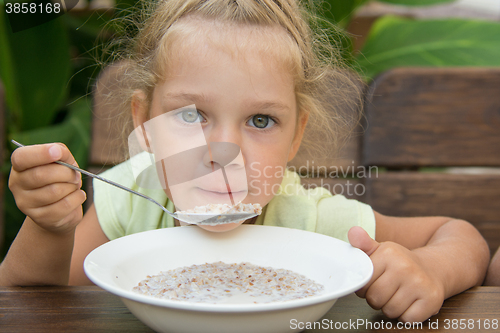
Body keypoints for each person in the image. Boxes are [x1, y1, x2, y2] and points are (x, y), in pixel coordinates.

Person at [0, 0, 489, 323]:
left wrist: (432, 269)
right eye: (192, 115)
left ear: (296, 136)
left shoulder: (311, 221)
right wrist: (50, 226)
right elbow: (28, 300)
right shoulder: (130, 200)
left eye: (260, 121)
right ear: (144, 122)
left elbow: (460, 236)